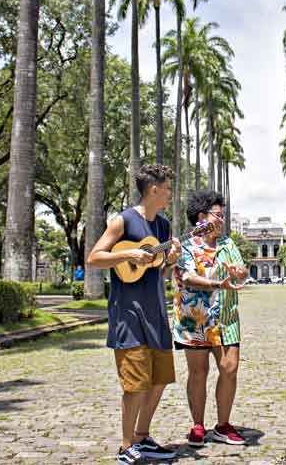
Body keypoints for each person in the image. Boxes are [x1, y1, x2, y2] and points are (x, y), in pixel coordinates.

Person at [86, 164, 181, 465]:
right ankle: (126, 447)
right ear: (154, 189)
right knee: (134, 383)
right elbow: (94, 257)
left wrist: (171, 259)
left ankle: (142, 437)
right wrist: (127, 254)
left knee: (160, 378)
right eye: (167, 188)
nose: (169, 193)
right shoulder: (122, 221)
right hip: (128, 314)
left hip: (156, 312)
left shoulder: (163, 226)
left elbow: (160, 270)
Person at [172, 190, 249, 447]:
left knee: (229, 368)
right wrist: (218, 283)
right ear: (202, 217)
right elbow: (187, 277)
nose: (222, 219)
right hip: (194, 318)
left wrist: (239, 272)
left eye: (223, 215)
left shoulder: (228, 243)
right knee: (198, 372)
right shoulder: (185, 246)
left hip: (226, 316)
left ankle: (223, 424)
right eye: (218, 214)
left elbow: (241, 272)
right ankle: (198, 425)